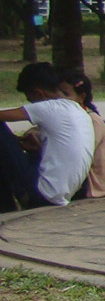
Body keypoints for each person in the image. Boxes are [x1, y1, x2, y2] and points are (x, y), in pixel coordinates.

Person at [0, 62, 95, 210]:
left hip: (41, 194)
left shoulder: (49, 107)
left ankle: (7, 207)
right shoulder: (78, 110)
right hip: (61, 195)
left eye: (30, 99)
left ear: (38, 93)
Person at [58, 67, 105, 199]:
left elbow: (81, 153)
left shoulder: (93, 120)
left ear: (81, 97)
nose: (60, 99)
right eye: (58, 93)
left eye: (66, 94)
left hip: (93, 184)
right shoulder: (68, 118)